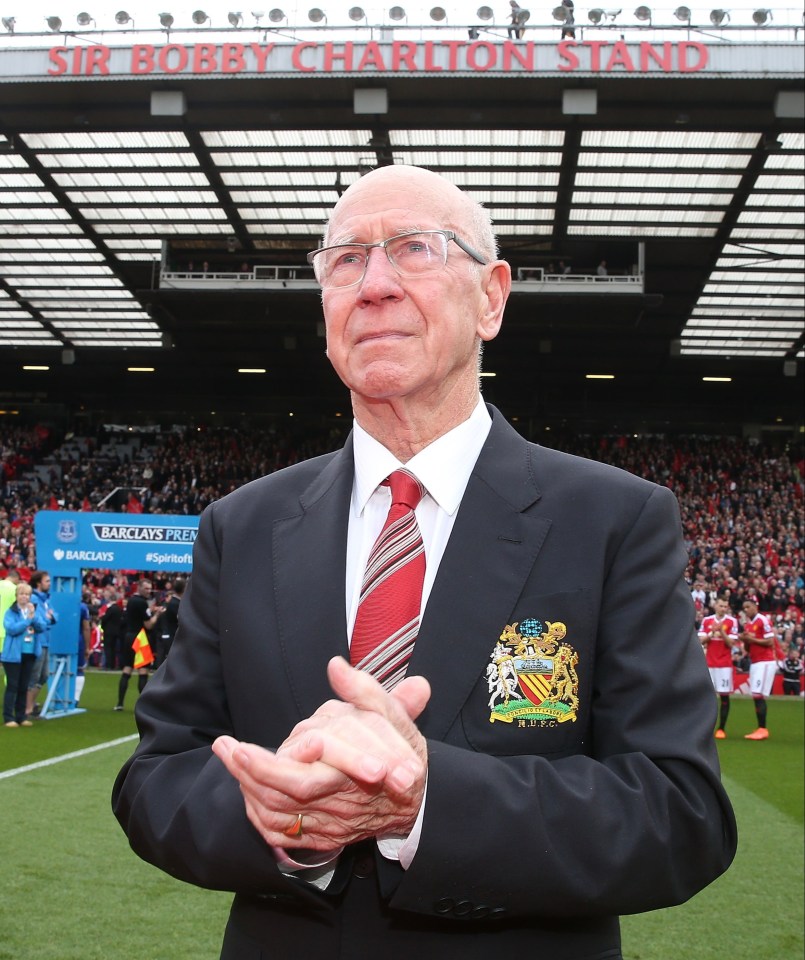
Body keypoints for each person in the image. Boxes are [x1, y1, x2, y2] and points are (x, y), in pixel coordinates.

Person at [113, 164, 736, 960]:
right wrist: (287, 819)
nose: (374, 284)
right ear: (325, 309)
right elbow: (156, 776)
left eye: (415, 249)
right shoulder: (242, 525)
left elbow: (681, 814)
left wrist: (423, 802)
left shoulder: (613, 519)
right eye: (345, 259)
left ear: (491, 297)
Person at [114, 579, 164, 711]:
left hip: (129, 636)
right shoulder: (142, 602)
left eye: (150, 589)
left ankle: (119, 703)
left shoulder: (131, 600)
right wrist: (157, 615)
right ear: (140, 587)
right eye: (146, 588)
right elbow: (148, 624)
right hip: (140, 638)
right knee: (143, 671)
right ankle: (144, 707)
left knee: (127, 669)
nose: (149, 591)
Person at [2, 581, 47, 727]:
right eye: (22, 594)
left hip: (29, 653)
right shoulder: (11, 612)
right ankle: (9, 717)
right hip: (13, 655)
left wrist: (33, 617)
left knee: (24, 686)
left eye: (27, 594)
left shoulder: (32, 611)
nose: (24, 597)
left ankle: (21, 716)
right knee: (13, 686)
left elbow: (42, 626)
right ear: (16, 596)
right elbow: (12, 629)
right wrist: (27, 621)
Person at [698, 596, 739, 738]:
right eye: (721, 606)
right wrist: (711, 633)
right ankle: (705, 728)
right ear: (715, 606)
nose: (723, 608)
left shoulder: (732, 621)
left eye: (725, 606)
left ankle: (721, 728)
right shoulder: (707, 620)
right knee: (707, 697)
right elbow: (701, 641)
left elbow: (731, 644)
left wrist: (721, 631)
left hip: (724, 665)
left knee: (724, 696)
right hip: (709, 663)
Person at [739, 597, 776, 740]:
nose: (746, 610)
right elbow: (748, 647)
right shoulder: (748, 625)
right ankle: (761, 728)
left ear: (755, 606)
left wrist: (752, 639)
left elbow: (770, 641)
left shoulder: (763, 620)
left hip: (765, 661)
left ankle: (762, 729)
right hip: (755, 661)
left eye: (748, 607)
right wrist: (745, 640)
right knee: (755, 695)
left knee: (758, 695)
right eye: (744, 608)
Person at [26, 569, 58, 719]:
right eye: (47, 581)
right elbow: (39, 621)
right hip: (37, 641)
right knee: (34, 675)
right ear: (39, 583)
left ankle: (31, 705)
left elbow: (55, 616)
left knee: (43, 675)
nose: (49, 584)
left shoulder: (46, 599)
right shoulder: (33, 598)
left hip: (46, 640)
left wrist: (49, 618)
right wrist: (48, 618)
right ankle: (27, 708)